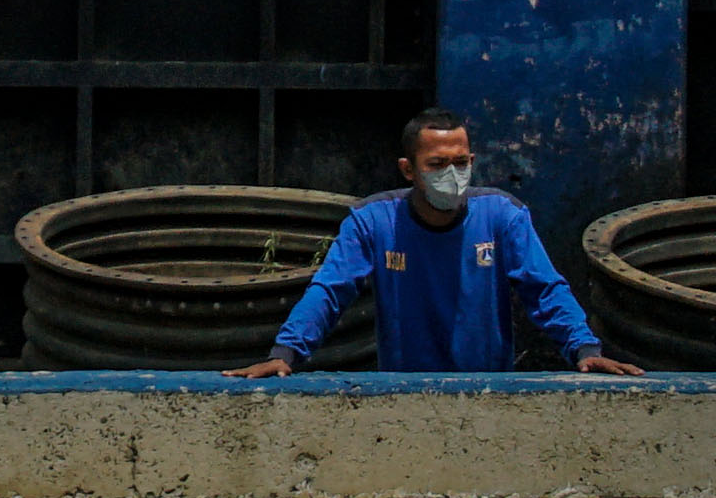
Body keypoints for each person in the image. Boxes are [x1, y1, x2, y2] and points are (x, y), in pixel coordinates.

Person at [237, 110, 637, 378]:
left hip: (489, 393)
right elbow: (330, 289)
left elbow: (545, 288)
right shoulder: (373, 221)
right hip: (403, 393)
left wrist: (585, 349)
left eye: (461, 163)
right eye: (437, 165)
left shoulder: (502, 215)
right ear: (408, 169)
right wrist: (285, 354)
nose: (452, 175)